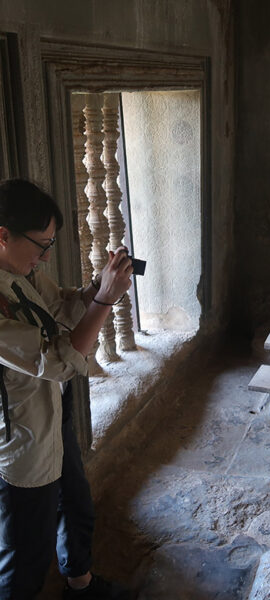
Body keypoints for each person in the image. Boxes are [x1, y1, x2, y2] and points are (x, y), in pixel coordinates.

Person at [0, 179, 133, 599]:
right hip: (22, 440)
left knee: (76, 506)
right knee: (25, 559)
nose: (44, 256)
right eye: (41, 245)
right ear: (3, 235)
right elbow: (55, 361)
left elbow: (63, 308)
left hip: (52, 418)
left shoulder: (20, 272)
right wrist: (105, 302)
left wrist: (99, 286)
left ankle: (81, 585)